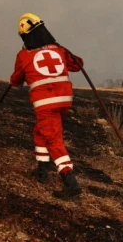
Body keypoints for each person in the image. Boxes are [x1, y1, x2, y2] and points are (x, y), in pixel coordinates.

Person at [9, 13, 84, 200]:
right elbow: (77, 64)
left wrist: (16, 81)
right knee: (40, 132)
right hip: (65, 100)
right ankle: (42, 171)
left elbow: (16, 79)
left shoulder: (24, 55)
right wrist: (59, 48)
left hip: (45, 103)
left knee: (53, 140)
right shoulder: (59, 50)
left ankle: (70, 182)